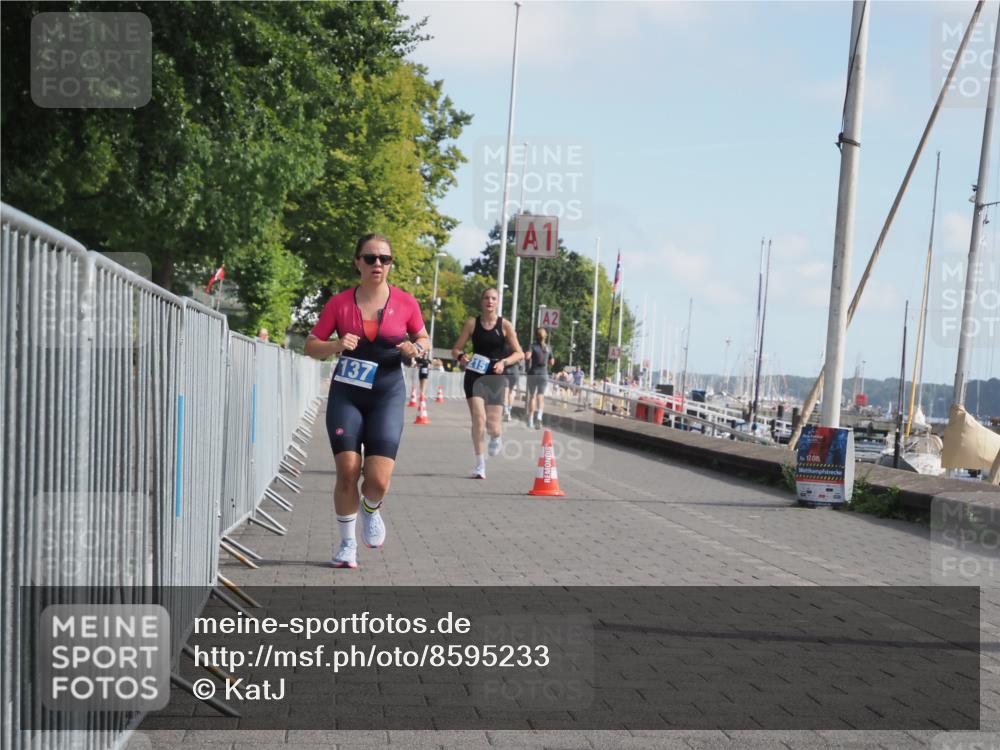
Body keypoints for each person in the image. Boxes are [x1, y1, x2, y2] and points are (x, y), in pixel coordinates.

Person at [304, 233, 429, 569]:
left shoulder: (406, 303)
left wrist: (415, 349)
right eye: (371, 258)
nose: (378, 264)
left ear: (390, 264)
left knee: (377, 480)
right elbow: (311, 345)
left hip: (387, 394)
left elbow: (423, 337)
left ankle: (371, 509)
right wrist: (335, 344)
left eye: (384, 259)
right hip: (347, 393)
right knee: (347, 469)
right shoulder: (339, 303)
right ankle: (347, 546)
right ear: (357, 261)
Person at [451, 288, 524, 479]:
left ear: (498, 302)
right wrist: (461, 357)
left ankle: (497, 436)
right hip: (475, 374)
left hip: (495, 376)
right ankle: (479, 464)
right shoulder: (472, 323)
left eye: (493, 298)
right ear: (481, 301)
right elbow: (456, 348)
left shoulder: (505, 325)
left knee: (493, 425)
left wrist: (504, 362)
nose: (489, 301)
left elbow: (519, 353)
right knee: (478, 419)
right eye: (486, 298)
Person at [525, 327, 555, 429]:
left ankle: (530, 420)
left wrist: (529, 354)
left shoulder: (532, 346)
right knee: (540, 396)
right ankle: (539, 417)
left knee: (532, 396)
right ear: (545, 336)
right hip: (543, 374)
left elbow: (527, 356)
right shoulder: (549, 347)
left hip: (533, 372)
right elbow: (552, 362)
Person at [503, 350, 520, 422]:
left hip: (506, 370)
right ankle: (509, 412)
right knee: (511, 392)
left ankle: (506, 411)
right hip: (515, 371)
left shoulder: (503, 346)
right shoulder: (517, 347)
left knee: (505, 393)